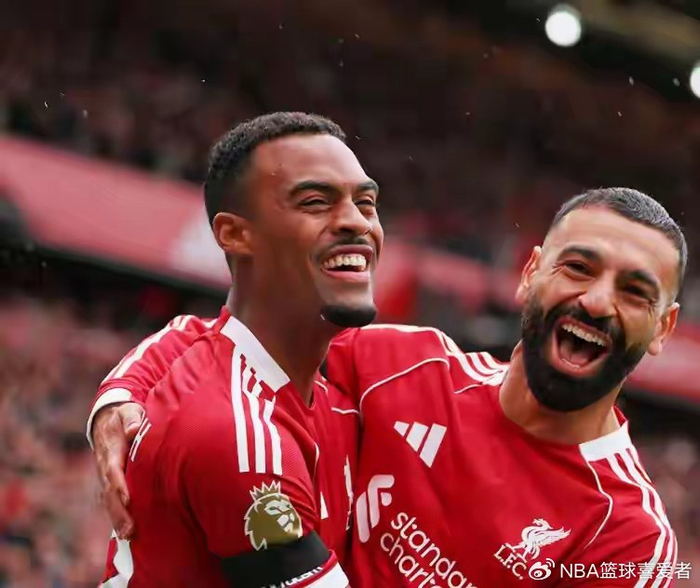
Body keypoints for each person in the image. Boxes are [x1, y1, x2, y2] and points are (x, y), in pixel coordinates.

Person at [91, 188, 684, 587]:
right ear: (530, 275)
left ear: (662, 328)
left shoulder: (630, 540)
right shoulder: (408, 366)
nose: (597, 301)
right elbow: (233, 336)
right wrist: (122, 397)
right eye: (578, 268)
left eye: (635, 292)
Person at [92, 111, 383, 587]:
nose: (356, 221)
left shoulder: (337, 381)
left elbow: (195, 331)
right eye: (315, 202)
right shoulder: (238, 435)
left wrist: (115, 394)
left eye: (366, 203)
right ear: (234, 234)